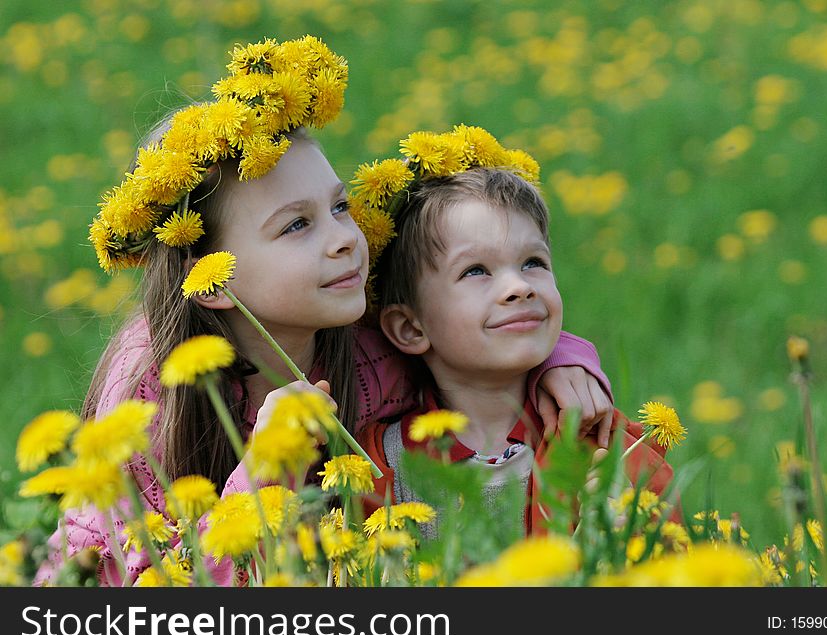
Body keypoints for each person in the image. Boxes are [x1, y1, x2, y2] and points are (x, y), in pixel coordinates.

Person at [34, 39, 613, 586]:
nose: (344, 239)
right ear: (209, 280)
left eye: (339, 207)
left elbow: (469, 323)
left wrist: (561, 360)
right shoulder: (150, 394)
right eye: (297, 225)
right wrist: (269, 466)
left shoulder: (365, 346)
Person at [352, 126, 676, 536]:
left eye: (533, 263)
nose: (519, 287)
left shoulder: (605, 442)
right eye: (476, 271)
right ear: (410, 328)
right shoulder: (380, 466)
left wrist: (631, 538)